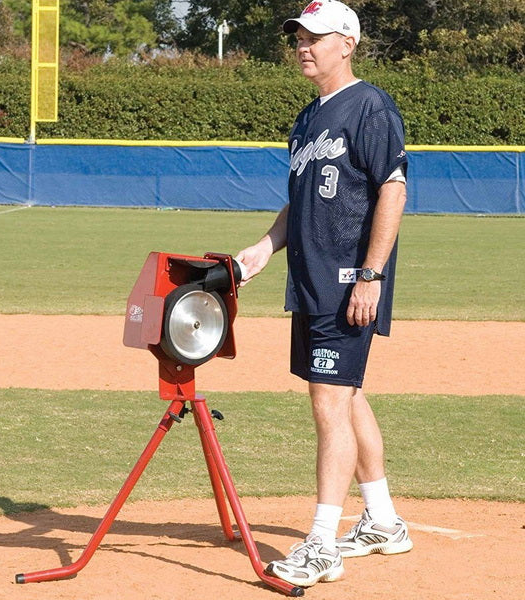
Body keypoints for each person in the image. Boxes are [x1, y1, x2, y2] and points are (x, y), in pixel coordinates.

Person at [236, 0, 413, 588]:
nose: (303, 46)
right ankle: (383, 521)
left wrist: (371, 275)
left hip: (347, 283)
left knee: (328, 404)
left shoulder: (369, 106)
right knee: (345, 395)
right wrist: (264, 247)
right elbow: (303, 200)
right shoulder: (308, 119)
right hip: (311, 281)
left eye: (314, 37)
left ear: (347, 43)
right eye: (298, 37)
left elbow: (393, 190)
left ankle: (321, 544)